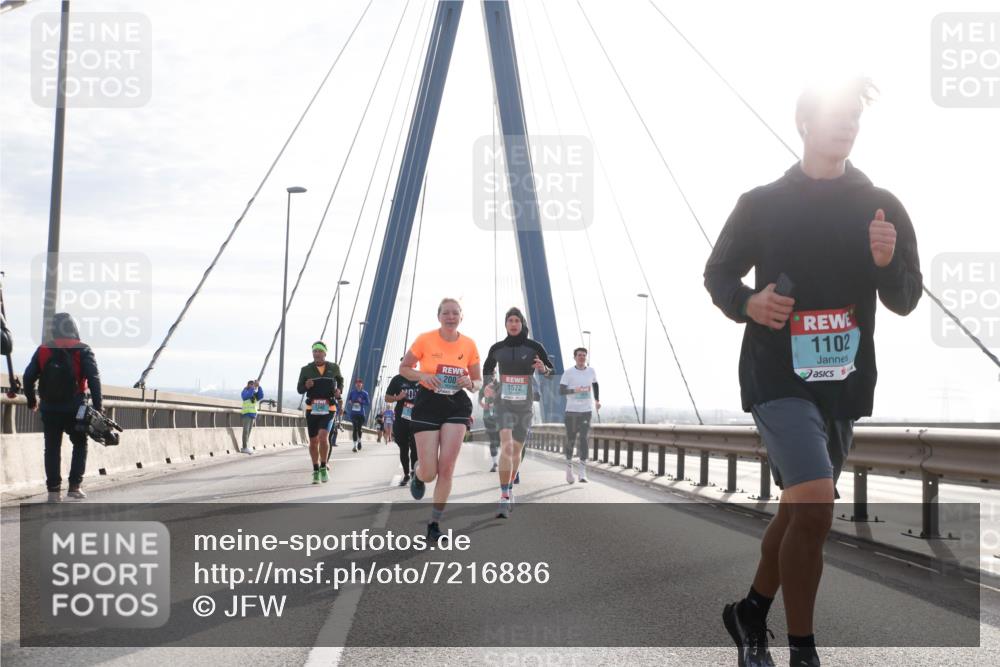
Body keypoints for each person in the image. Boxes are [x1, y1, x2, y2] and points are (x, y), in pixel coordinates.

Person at [704, 76, 921, 667]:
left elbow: (905, 298)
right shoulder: (761, 204)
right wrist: (748, 303)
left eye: (854, 115)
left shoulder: (881, 206)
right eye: (834, 113)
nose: (847, 123)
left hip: (843, 383)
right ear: (804, 122)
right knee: (818, 504)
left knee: (802, 509)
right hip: (775, 374)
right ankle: (804, 652)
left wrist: (885, 262)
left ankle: (750, 611)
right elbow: (718, 274)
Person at [401, 297, 482, 542]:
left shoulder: (469, 344)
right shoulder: (425, 339)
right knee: (430, 473)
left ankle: (434, 523)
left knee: (446, 468)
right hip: (428, 405)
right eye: (446, 312)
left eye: (455, 313)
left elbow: (478, 381)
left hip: (456, 405)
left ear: (461, 317)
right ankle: (418, 474)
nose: (450, 317)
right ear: (439, 316)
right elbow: (404, 368)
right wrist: (423, 376)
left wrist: (470, 383)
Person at [22, 313, 103, 502]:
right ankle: (74, 486)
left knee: (51, 448)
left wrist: (32, 400)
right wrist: (98, 407)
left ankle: (53, 491)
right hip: (75, 408)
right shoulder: (83, 349)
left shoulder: (43, 349)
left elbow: (28, 377)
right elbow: (94, 379)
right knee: (80, 443)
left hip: (49, 408)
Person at [482, 307, 554, 518]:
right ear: (506, 324)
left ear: (522, 324)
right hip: (503, 403)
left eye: (517, 320)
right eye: (510, 320)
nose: (513, 324)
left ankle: (510, 485)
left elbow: (552, 372)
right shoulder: (497, 348)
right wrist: (488, 385)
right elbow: (487, 370)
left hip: (524, 406)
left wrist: (543, 369)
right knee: (507, 447)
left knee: (516, 452)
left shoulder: (534, 347)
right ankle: (504, 496)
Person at [296, 341, 344, 485]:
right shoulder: (306, 369)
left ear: (324, 353)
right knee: (313, 441)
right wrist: (306, 385)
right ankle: (316, 469)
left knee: (323, 437)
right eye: (314, 351)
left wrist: (339, 390)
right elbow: (299, 389)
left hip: (329, 408)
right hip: (312, 408)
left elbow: (340, 381)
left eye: (319, 351)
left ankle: (323, 466)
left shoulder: (334, 368)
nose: (316, 353)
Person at [560, 347, 599, 483]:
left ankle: (582, 472)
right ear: (574, 357)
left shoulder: (591, 371)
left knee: (583, 439)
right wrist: (575, 390)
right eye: (579, 355)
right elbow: (561, 391)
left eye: (584, 355)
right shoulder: (568, 373)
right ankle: (569, 468)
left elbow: (595, 385)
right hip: (571, 411)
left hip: (586, 411)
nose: (582, 357)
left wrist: (597, 400)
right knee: (571, 440)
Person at [385, 362, 420, 485]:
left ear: (415, 365)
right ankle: (406, 474)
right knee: (403, 448)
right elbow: (387, 397)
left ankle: (414, 472)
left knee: (415, 448)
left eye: (411, 363)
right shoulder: (397, 379)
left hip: (416, 418)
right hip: (401, 418)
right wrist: (397, 398)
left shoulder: (421, 378)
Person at [478, 385, 500, 472]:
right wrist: (483, 404)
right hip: (488, 418)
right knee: (493, 440)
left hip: (500, 418)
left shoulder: (499, 384)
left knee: (499, 440)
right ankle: (495, 463)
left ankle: (499, 459)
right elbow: (479, 399)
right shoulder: (483, 387)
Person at [345, 378, 371, 452]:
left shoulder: (365, 393)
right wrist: (350, 402)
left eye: (360, 383)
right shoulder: (352, 392)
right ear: (355, 385)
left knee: (359, 429)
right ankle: (355, 446)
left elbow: (368, 403)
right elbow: (349, 400)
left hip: (361, 414)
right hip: (353, 413)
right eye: (357, 383)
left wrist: (361, 401)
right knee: (354, 429)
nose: (358, 384)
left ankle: (359, 440)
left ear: (362, 385)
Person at [240, 379, 263, 454]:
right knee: (245, 431)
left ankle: (246, 446)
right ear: (248, 385)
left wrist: (259, 386)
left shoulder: (254, 393)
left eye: (253, 384)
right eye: (252, 384)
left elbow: (261, 396)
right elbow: (246, 396)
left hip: (252, 415)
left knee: (248, 432)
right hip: (246, 414)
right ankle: (244, 447)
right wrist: (253, 388)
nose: (253, 386)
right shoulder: (245, 391)